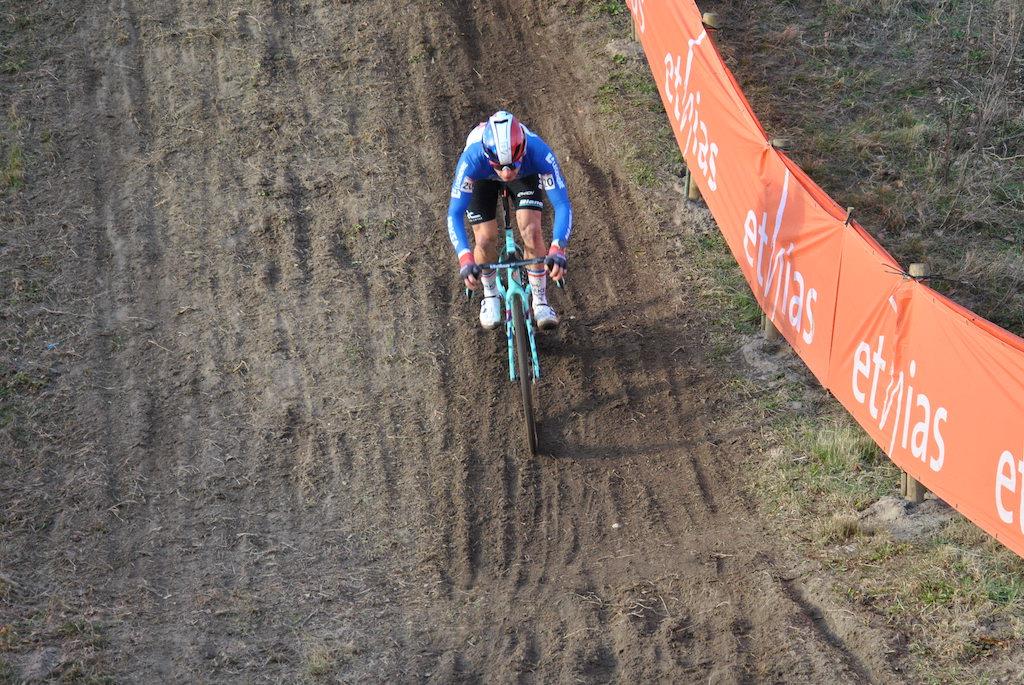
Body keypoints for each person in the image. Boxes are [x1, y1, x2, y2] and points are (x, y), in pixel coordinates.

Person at [446, 110, 572, 331]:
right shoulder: (472, 159)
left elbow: (562, 204)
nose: (505, 174)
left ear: (522, 151)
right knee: (485, 238)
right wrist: (465, 257)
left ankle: (540, 300)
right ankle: (491, 295)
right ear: (487, 155)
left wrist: (558, 246)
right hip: (482, 178)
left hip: (526, 175)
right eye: (499, 166)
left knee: (531, 230)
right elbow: (454, 213)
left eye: (512, 165)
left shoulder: (539, 152)